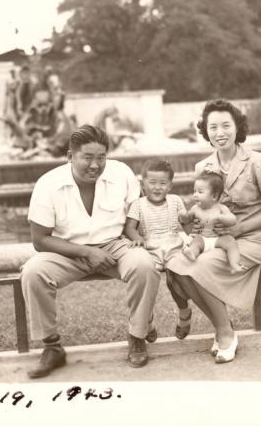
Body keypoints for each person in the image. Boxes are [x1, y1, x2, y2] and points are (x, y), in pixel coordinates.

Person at [20, 124, 160, 378]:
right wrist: (85, 252)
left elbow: (138, 217)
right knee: (33, 272)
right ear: (70, 156)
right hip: (67, 251)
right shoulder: (48, 184)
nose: (95, 165)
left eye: (101, 157)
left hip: (115, 245)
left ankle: (137, 335)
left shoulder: (122, 174)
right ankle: (52, 347)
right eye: (87, 157)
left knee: (144, 264)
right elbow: (40, 240)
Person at [165, 99, 261, 364]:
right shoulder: (202, 168)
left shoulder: (258, 161)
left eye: (225, 126)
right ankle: (224, 325)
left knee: (199, 266)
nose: (219, 133)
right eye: (213, 127)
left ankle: (224, 333)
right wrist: (189, 222)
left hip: (249, 238)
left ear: (237, 128)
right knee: (176, 264)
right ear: (205, 131)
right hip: (212, 239)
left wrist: (240, 226)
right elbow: (200, 208)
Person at [122, 158, 192, 340]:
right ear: (142, 183)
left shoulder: (175, 201)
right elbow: (129, 227)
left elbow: (187, 226)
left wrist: (189, 223)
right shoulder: (138, 204)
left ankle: (184, 313)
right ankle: (147, 321)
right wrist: (137, 238)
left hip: (173, 246)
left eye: (163, 183)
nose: (157, 187)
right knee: (146, 283)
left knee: (176, 280)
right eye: (152, 182)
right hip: (150, 249)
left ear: (170, 186)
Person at [181, 171, 247, 273]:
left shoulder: (221, 208)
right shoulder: (195, 208)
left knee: (230, 242)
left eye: (200, 192)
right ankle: (192, 254)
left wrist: (221, 217)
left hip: (218, 239)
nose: (195, 195)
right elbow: (187, 219)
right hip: (202, 238)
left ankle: (234, 264)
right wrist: (183, 217)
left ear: (214, 196)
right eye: (194, 191)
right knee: (196, 241)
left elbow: (233, 219)